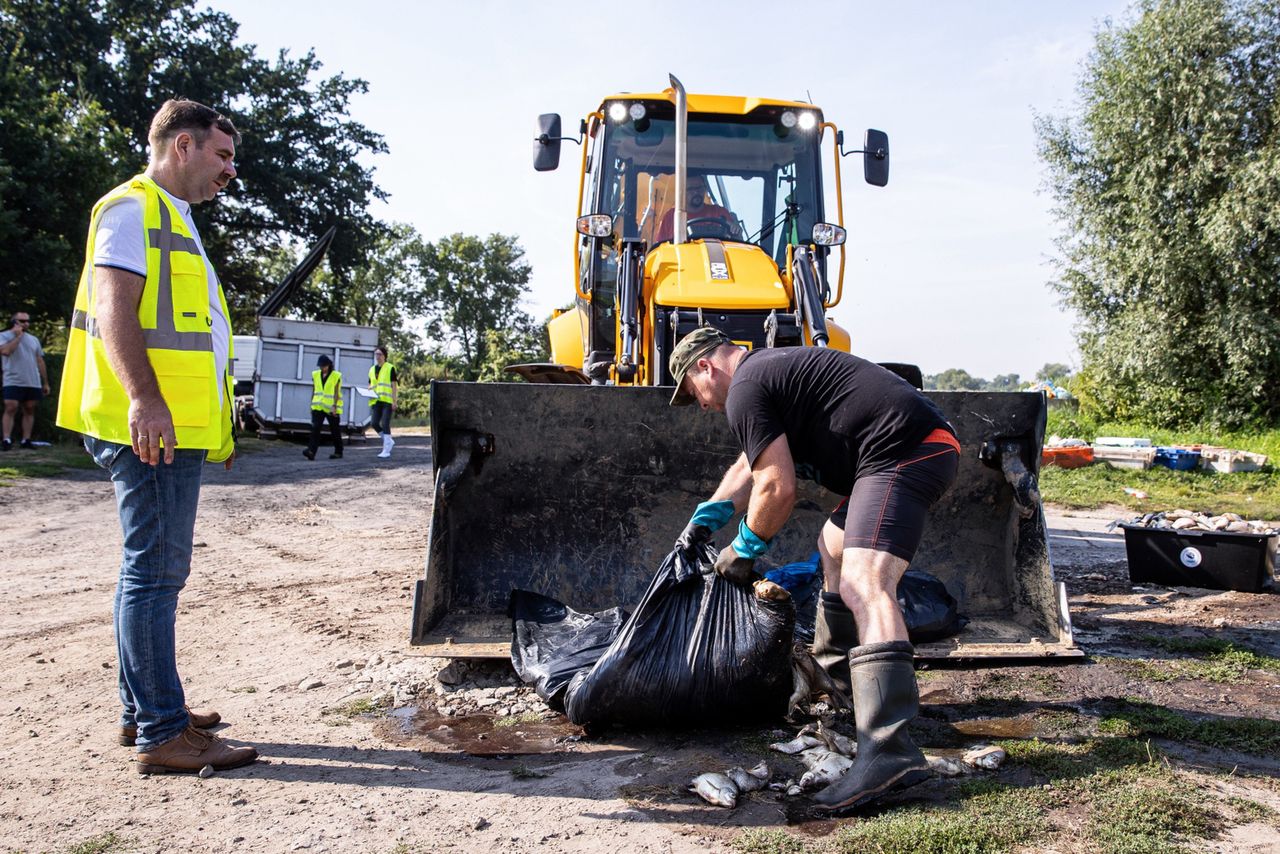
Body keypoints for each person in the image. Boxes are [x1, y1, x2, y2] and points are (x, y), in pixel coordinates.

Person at [669, 326, 959, 813]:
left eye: (693, 392)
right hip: (898, 451)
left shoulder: (744, 385)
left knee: (866, 582)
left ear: (706, 366)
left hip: (905, 451)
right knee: (833, 548)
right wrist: (712, 511)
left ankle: (889, 749)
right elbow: (750, 464)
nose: (700, 405)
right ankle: (838, 689)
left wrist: (745, 547)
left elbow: (778, 488)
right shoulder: (761, 377)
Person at [56, 98, 257, 774]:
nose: (231, 169)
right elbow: (115, 306)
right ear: (183, 147)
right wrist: (145, 401)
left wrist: (218, 431)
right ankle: (163, 732)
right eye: (222, 154)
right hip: (146, 424)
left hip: (171, 424)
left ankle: (142, 709)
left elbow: (195, 336)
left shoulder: (174, 217)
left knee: (147, 570)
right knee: (155, 573)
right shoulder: (133, 207)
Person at [0, 312, 50, 449]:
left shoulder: (33, 339)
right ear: (14, 322)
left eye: (28, 321)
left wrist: (45, 382)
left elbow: (40, 360)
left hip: (32, 380)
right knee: (11, 406)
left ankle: (26, 440)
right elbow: (5, 351)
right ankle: (6, 439)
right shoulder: (3, 336)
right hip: (13, 379)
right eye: (22, 321)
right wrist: (18, 336)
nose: (26, 323)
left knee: (29, 409)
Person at [653, 175, 741, 244]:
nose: (696, 192)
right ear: (682, 192)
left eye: (699, 188)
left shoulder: (720, 212)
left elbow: (734, 242)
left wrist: (734, 228)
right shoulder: (671, 217)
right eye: (691, 189)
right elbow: (661, 246)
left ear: (705, 189)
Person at [304, 354, 343, 460]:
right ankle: (311, 451)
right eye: (320, 366)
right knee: (315, 429)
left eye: (324, 366)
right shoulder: (315, 375)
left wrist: (334, 406)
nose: (322, 368)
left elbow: (336, 392)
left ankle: (338, 452)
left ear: (329, 365)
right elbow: (314, 389)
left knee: (335, 430)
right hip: (318, 406)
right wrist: (312, 404)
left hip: (331, 407)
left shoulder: (336, 375)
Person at [368, 345, 397, 459]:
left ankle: (386, 449)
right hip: (376, 400)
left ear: (385, 356)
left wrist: (394, 401)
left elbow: (394, 386)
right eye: (376, 354)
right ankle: (388, 440)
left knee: (385, 423)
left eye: (380, 354)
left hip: (387, 400)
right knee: (374, 423)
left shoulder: (390, 368)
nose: (378, 356)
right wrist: (369, 388)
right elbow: (370, 383)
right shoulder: (372, 369)